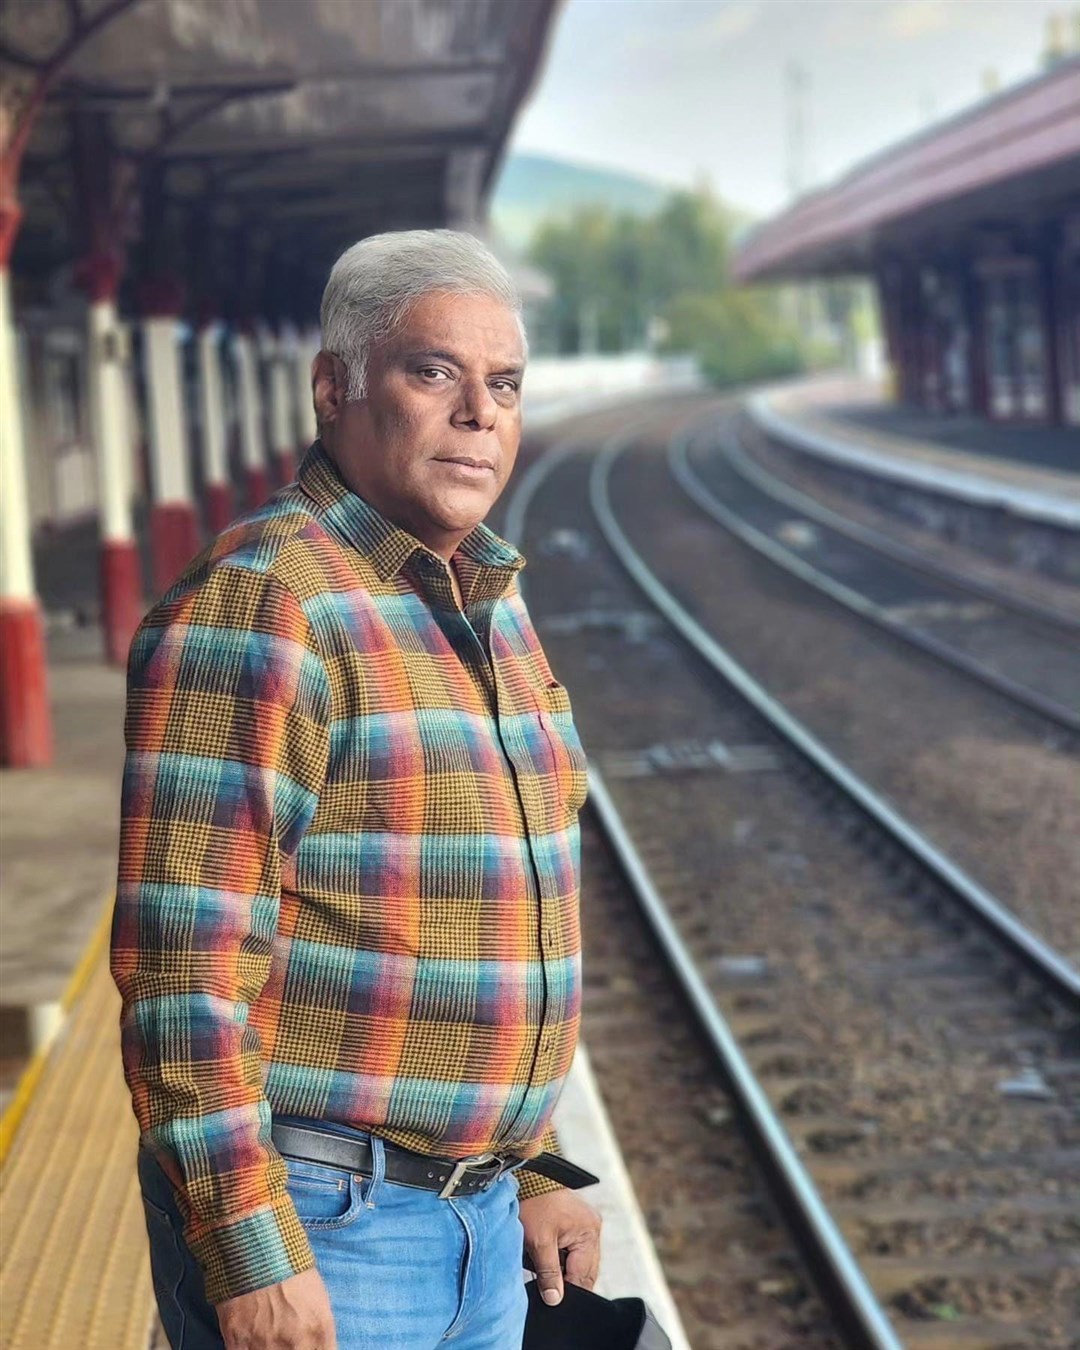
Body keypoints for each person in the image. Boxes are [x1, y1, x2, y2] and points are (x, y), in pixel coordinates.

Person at [111, 229, 601, 1350]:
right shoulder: (265, 605)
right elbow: (186, 968)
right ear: (333, 389)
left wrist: (537, 1167)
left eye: (506, 385)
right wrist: (252, 1256)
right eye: (435, 372)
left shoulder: (491, 600)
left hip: (476, 1226)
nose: (481, 412)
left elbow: (495, 923)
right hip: (333, 1231)